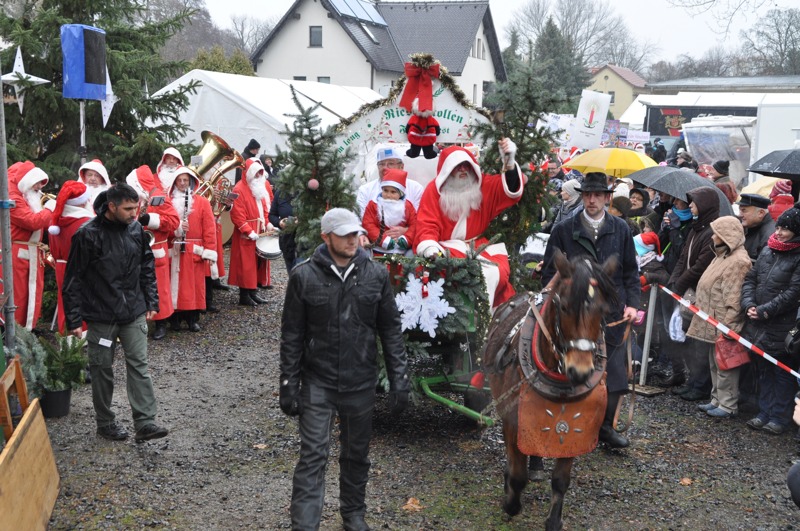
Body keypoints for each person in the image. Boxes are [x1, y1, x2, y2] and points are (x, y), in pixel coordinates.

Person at [279, 208, 409, 531]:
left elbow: (391, 330)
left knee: (356, 455)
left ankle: (353, 514)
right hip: (317, 382)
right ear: (326, 237)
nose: (355, 240)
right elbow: (292, 335)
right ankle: (305, 524)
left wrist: (399, 380)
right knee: (313, 455)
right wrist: (288, 383)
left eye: (356, 233)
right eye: (346, 235)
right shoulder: (303, 276)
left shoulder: (375, 275)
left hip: (360, 382)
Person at [62, 183, 169, 443]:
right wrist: (74, 319)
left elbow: (146, 266)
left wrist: (151, 300)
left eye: (137, 207)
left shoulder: (136, 230)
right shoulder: (87, 235)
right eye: (128, 208)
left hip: (133, 311)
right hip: (101, 315)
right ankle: (105, 423)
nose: (135, 213)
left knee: (139, 366)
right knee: (102, 369)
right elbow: (73, 279)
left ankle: (145, 423)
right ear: (111, 207)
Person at [542, 172, 640, 448]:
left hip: (610, 311)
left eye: (598, 195)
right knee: (564, 369)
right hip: (573, 311)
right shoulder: (563, 229)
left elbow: (631, 271)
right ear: (582, 196)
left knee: (616, 375)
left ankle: (606, 428)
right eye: (587, 194)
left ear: (608, 198)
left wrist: (633, 304)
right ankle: (556, 422)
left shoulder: (621, 228)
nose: (592, 200)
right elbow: (549, 272)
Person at [415, 139, 523, 309]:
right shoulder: (434, 191)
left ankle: (492, 317)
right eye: (457, 166)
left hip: (478, 246)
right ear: (447, 171)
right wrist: (430, 246)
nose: (463, 170)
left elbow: (509, 190)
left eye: (466, 165)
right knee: (459, 271)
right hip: (446, 247)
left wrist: (509, 162)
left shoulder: (482, 186)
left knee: (497, 272)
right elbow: (427, 224)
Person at [741, 207, 800, 435]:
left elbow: (794, 292)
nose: (780, 232)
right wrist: (749, 305)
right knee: (764, 369)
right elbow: (751, 279)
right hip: (760, 323)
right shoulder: (768, 249)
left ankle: (779, 417)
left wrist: (764, 310)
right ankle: (764, 412)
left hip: (783, 325)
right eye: (779, 227)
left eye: (786, 228)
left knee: (782, 373)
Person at [688, 216, 751, 418]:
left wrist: (730, 327)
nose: (713, 236)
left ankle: (727, 405)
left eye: (717, 233)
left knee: (726, 366)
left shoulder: (738, 261)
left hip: (723, 323)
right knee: (715, 363)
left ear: (727, 236)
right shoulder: (722, 255)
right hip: (712, 321)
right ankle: (716, 399)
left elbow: (734, 298)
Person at [667, 187, 720, 401]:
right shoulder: (696, 228)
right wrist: (674, 281)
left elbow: (699, 266)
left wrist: (678, 286)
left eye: (694, 202)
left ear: (705, 205)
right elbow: (682, 258)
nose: (690, 206)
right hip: (688, 290)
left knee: (700, 342)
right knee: (688, 338)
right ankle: (693, 381)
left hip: (701, 293)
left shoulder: (712, 232)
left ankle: (701, 386)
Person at [126, 165, 180, 340]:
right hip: (136, 248)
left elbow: (174, 222)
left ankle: (161, 323)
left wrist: (151, 219)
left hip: (156, 248)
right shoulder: (136, 198)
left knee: (159, 288)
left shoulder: (159, 197)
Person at [165, 167, 218, 332]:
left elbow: (209, 229)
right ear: (174, 182)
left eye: (185, 180)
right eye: (179, 180)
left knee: (195, 287)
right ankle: (174, 319)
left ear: (191, 182)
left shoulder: (202, 202)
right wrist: (176, 229)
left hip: (194, 250)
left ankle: (192, 319)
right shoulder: (168, 202)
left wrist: (209, 250)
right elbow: (162, 225)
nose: (182, 183)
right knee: (175, 286)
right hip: (174, 248)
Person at [2, 161, 53, 330]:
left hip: (29, 253)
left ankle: (24, 331)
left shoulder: (25, 196)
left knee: (30, 296)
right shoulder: (13, 199)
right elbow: (32, 222)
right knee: (19, 297)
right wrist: (50, 210)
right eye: (37, 183)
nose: (40, 187)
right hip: (18, 255)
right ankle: (14, 333)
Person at [47, 181, 94, 334]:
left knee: (64, 300)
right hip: (81, 267)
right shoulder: (85, 223)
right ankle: (83, 333)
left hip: (61, 266)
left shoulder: (56, 221)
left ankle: (65, 333)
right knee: (82, 299)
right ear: (82, 202)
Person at [229, 158, 273, 306]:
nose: (258, 177)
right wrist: (248, 231)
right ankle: (244, 295)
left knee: (256, 264)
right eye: (256, 174)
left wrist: (267, 224)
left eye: (260, 174)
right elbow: (237, 215)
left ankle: (253, 292)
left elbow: (264, 209)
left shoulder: (258, 188)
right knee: (245, 265)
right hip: (246, 234)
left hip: (258, 230)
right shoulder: (238, 189)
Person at [356, 146, 425, 217]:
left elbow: (419, 219)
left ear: (401, 167)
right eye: (381, 164)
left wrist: (406, 228)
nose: (385, 167)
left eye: (391, 163)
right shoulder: (365, 190)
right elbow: (362, 220)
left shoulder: (415, 188)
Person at [362, 168, 417, 255]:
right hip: (378, 249)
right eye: (385, 190)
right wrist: (383, 239)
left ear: (400, 194)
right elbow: (368, 225)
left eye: (393, 192)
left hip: (402, 251)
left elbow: (415, 225)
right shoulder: (373, 205)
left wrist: (406, 239)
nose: (388, 195)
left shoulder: (408, 206)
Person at [737, 193, 774, 263]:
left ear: (761, 213)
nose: (740, 215)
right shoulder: (750, 226)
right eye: (740, 210)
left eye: (744, 210)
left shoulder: (769, 235)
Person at [269, 186, 298, 272]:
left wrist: (300, 221)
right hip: (287, 240)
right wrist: (279, 222)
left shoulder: (306, 191)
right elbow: (272, 215)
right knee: (291, 272)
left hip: (303, 239)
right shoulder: (280, 192)